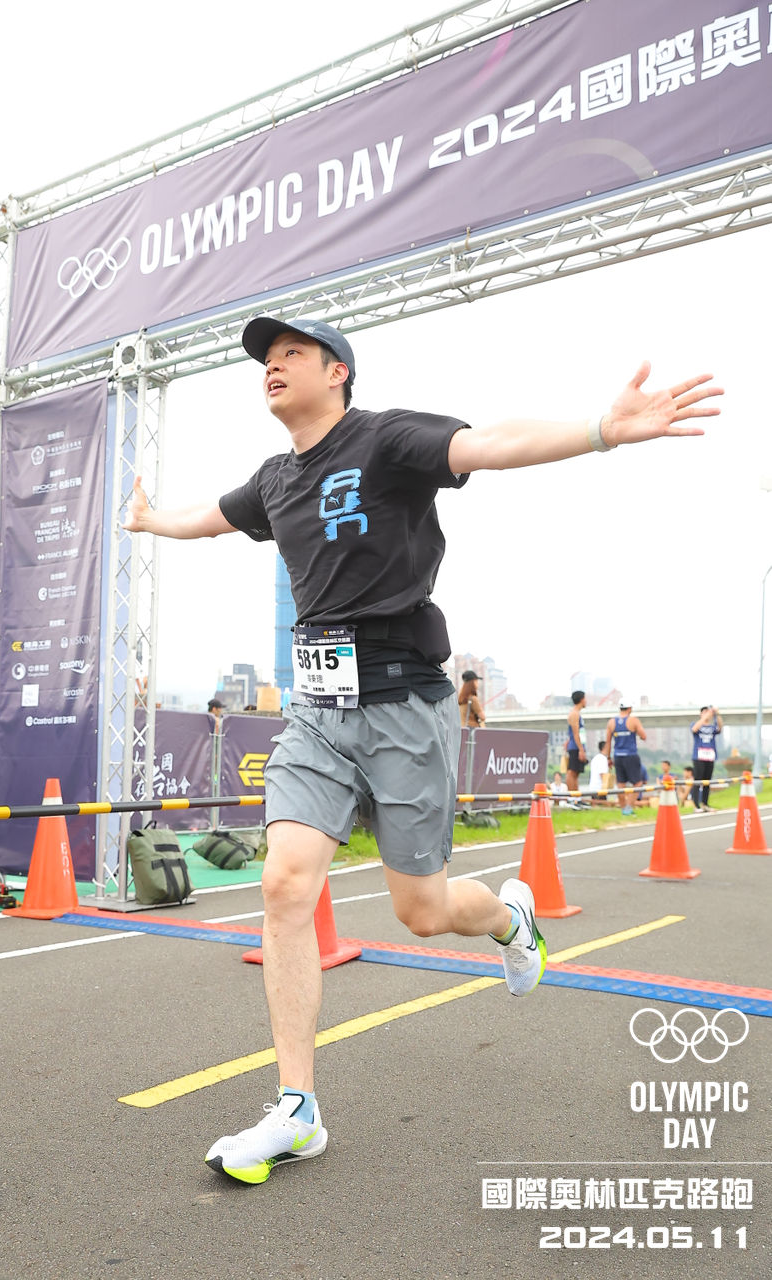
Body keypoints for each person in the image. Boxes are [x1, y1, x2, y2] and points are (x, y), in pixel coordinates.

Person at [124, 311, 720, 1185]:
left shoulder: (384, 439)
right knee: (284, 883)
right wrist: (149, 521)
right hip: (317, 714)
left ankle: (510, 920)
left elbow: (490, 444)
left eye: (291, 353)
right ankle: (296, 1110)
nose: (272, 367)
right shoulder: (275, 480)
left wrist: (600, 429)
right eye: (265, 360)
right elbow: (208, 519)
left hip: (403, 706)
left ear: (337, 371)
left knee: (423, 911)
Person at [605, 700, 648, 816]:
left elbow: (608, 742)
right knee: (638, 783)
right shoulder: (633, 720)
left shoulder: (611, 722)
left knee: (621, 784)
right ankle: (628, 808)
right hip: (631, 755)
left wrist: (608, 758)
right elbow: (643, 736)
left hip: (618, 756)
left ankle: (624, 809)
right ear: (630, 708)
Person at [690, 704, 722, 812]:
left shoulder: (712, 727)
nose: (707, 714)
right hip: (699, 756)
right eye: (704, 712)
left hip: (710, 756)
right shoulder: (696, 724)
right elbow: (694, 729)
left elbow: (720, 728)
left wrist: (716, 714)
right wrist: (705, 717)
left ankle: (705, 804)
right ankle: (696, 805)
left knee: (707, 782)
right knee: (698, 781)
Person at [565, 690, 587, 793]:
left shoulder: (577, 713)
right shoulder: (574, 714)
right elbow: (575, 733)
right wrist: (581, 750)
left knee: (576, 772)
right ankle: (572, 796)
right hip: (575, 747)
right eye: (585, 698)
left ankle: (576, 796)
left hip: (577, 746)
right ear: (581, 700)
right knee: (572, 772)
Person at [587, 740, 611, 805]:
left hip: (593, 788)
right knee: (604, 806)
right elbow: (603, 775)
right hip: (599, 788)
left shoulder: (596, 758)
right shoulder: (602, 759)